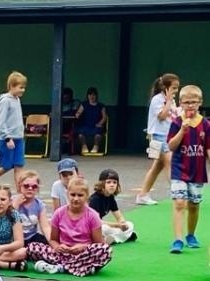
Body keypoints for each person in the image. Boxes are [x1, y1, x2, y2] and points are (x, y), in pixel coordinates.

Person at [28, 177, 112, 276]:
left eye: (80, 195)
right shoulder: (59, 213)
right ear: (67, 194)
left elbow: (98, 243)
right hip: (62, 254)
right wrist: (58, 247)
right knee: (32, 247)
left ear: (87, 196)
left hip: (83, 254)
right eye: (73, 195)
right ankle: (81, 268)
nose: (76, 199)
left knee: (105, 250)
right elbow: (53, 240)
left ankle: (61, 267)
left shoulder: (93, 216)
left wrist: (83, 247)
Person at [167, 83, 210, 254]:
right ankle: (177, 239)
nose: (190, 105)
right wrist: (182, 131)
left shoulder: (205, 124)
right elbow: (171, 145)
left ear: (200, 102)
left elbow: (207, 148)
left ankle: (190, 234)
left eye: (193, 102)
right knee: (179, 203)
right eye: (186, 102)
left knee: (194, 204)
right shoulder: (177, 123)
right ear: (181, 103)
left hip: (198, 171)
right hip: (179, 169)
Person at [136, 73, 179, 205]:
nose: (176, 91)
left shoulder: (171, 101)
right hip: (158, 136)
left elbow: (174, 116)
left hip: (168, 136)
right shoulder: (157, 99)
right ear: (165, 88)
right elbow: (161, 116)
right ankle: (179, 194)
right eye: (174, 88)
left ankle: (143, 195)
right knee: (170, 163)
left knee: (157, 167)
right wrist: (168, 101)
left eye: (177, 88)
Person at [0, 71, 27, 187]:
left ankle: (20, 191)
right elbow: (0, 120)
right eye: (20, 87)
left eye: (24, 87)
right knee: (6, 166)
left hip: (18, 137)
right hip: (8, 139)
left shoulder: (17, 99)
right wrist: (7, 138)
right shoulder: (5, 100)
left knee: (19, 165)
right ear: (12, 86)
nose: (23, 90)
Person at [89, 169, 136, 244]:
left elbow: (118, 216)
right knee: (104, 228)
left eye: (115, 182)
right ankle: (121, 237)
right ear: (102, 184)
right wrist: (117, 225)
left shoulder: (110, 197)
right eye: (108, 182)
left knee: (130, 224)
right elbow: (97, 222)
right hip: (92, 227)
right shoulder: (95, 199)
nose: (112, 185)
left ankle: (114, 238)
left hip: (102, 227)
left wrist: (123, 223)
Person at [13, 171, 52, 249]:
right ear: (19, 186)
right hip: (14, 239)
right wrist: (15, 206)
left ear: (38, 189)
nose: (30, 188)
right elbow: (6, 222)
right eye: (26, 186)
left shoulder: (39, 204)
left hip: (32, 236)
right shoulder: (12, 201)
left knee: (49, 245)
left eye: (34, 186)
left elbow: (45, 227)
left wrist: (52, 242)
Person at [75, 87, 106, 155]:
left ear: (96, 96)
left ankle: (96, 146)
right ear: (87, 96)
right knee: (80, 134)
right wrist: (77, 114)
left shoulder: (101, 106)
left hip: (96, 125)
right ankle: (84, 146)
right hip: (86, 125)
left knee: (98, 135)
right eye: (90, 95)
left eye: (94, 95)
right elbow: (79, 112)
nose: (92, 96)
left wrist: (100, 123)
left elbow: (104, 117)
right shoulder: (84, 104)